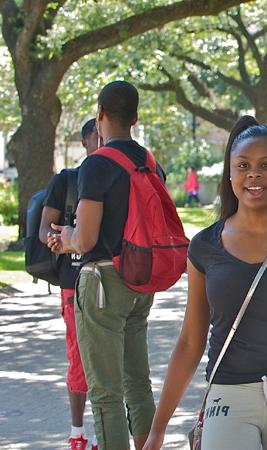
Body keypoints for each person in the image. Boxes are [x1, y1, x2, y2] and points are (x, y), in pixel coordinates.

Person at [142, 117, 267, 450]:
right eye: (243, 165)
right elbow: (190, 341)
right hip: (228, 395)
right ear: (230, 172)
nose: (254, 174)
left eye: (266, 165)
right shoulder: (205, 246)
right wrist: (157, 428)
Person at [47, 81, 165, 450]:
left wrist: (65, 236)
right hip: (140, 279)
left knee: (105, 392)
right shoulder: (149, 161)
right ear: (136, 117)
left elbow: (84, 239)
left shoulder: (97, 164)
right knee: (137, 383)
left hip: (101, 282)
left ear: (99, 117)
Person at [39, 118, 100, 450]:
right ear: (84, 141)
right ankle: (77, 434)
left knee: (115, 361)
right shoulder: (67, 181)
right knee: (78, 359)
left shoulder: (118, 179)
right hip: (73, 284)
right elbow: (44, 230)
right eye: (95, 137)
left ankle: (111, 432)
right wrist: (65, 240)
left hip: (113, 282)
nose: (102, 141)